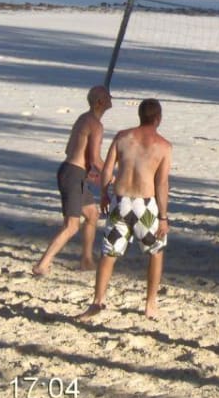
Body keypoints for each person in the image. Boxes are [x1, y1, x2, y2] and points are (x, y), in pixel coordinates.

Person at [77, 98, 172, 320]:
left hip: (120, 201)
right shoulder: (163, 146)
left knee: (109, 252)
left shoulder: (122, 137)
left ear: (139, 115)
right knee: (156, 253)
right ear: (158, 118)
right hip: (145, 204)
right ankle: (150, 303)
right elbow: (162, 183)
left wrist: (103, 193)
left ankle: (98, 301)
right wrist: (164, 217)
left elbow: (108, 169)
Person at [33, 85, 111, 276]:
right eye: (107, 96)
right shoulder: (95, 124)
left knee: (92, 214)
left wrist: (88, 172)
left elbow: (71, 149)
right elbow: (95, 158)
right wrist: (111, 175)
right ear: (100, 102)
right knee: (71, 226)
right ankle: (42, 264)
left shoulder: (83, 119)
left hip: (72, 171)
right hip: (73, 174)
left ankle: (86, 259)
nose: (111, 98)